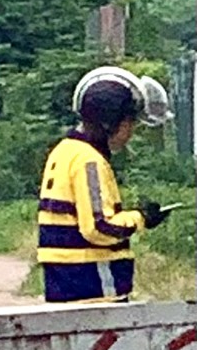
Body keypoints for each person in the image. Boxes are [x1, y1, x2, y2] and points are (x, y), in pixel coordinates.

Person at [37, 66, 175, 303]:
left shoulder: (64, 150)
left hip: (64, 278)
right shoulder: (89, 160)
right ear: (110, 123)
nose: (131, 131)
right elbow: (99, 227)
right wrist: (140, 218)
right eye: (130, 122)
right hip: (91, 279)